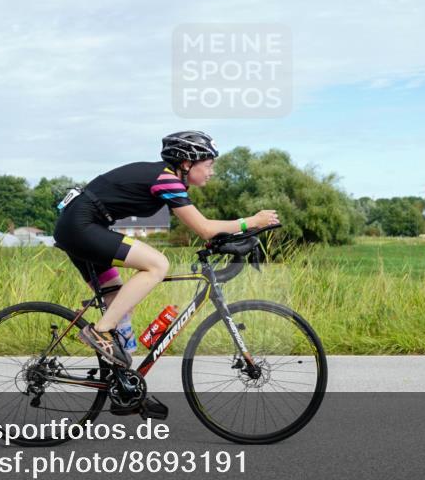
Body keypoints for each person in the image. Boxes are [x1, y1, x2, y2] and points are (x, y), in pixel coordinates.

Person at [52, 131, 279, 369]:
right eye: (209, 164)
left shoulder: (168, 179)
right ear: (186, 163)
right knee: (157, 264)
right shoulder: (166, 179)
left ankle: (125, 388)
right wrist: (252, 221)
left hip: (80, 226)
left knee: (120, 303)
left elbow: (202, 228)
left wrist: (232, 240)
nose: (212, 171)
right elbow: (204, 228)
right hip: (81, 227)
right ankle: (100, 331)